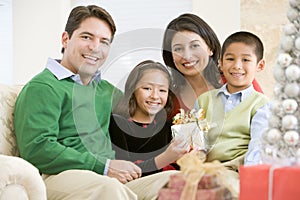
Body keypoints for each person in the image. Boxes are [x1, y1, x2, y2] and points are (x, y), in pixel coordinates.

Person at [14, 5, 177, 200]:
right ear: (65, 39)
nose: (95, 47)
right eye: (86, 37)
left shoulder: (105, 90)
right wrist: (105, 166)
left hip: (111, 176)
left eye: (104, 41)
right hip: (60, 176)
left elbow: (144, 107)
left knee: (178, 181)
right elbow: (37, 148)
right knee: (110, 190)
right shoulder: (43, 87)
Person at [161, 13, 263, 118]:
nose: (187, 56)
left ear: (210, 48)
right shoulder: (169, 99)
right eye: (178, 49)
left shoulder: (238, 78)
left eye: (195, 46)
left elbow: (266, 122)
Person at [194, 31, 271, 170]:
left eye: (246, 60)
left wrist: (250, 179)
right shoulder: (203, 101)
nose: (237, 66)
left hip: (236, 170)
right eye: (230, 59)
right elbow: (196, 142)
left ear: (260, 65)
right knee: (153, 184)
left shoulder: (261, 105)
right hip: (202, 169)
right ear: (221, 63)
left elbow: (258, 147)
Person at [110, 60, 188, 177]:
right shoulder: (118, 124)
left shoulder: (168, 127)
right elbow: (125, 173)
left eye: (162, 90)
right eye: (147, 88)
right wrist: (164, 158)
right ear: (133, 90)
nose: (155, 96)